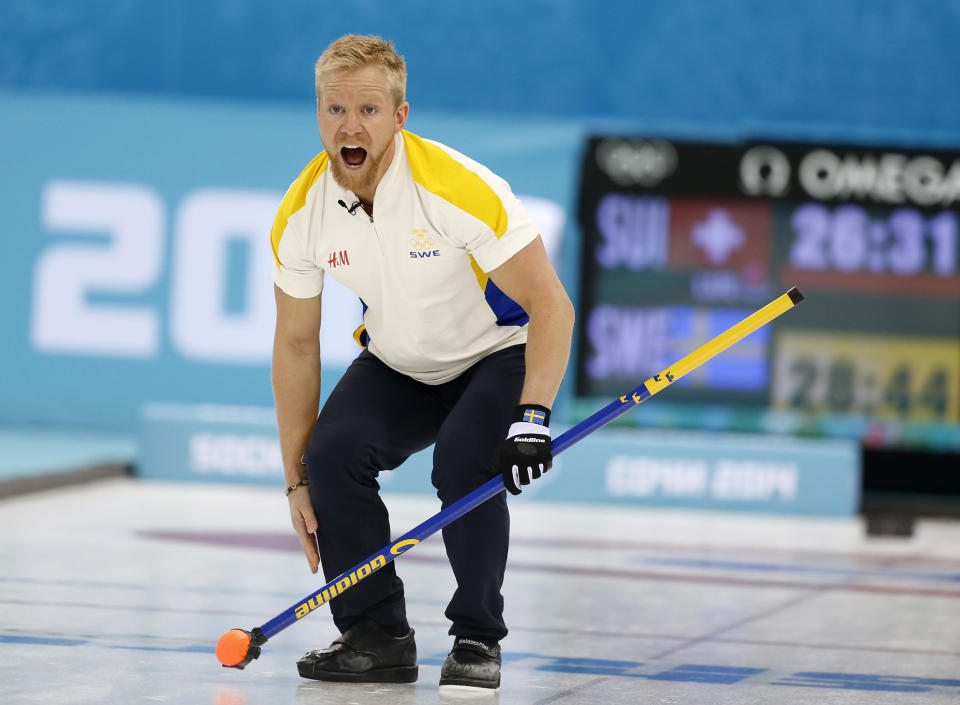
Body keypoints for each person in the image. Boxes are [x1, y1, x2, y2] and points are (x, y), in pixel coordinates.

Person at [270, 34, 574, 692]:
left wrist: (533, 416)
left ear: (400, 116)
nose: (350, 127)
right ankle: (375, 633)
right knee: (330, 456)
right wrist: (296, 480)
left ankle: (476, 635)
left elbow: (552, 306)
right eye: (334, 110)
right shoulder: (302, 214)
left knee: (465, 458)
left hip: (495, 354)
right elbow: (295, 343)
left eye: (369, 111)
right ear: (317, 111)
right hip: (400, 362)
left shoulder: (458, 189)